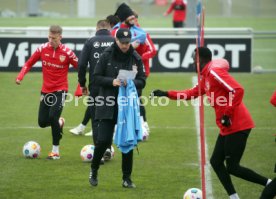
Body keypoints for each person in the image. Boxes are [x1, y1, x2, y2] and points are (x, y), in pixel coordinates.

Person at [151, 47, 272, 199]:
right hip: (227, 126)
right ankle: (233, 196)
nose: (192, 61)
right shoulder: (205, 76)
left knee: (233, 167)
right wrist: (166, 93)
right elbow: (191, 94)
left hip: (238, 124)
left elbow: (238, 90)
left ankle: (270, 184)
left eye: (194, 58)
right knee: (216, 161)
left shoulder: (214, 73)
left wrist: (227, 114)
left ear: (200, 59)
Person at [89, 28, 146, 188]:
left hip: (127, 106)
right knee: (103, 140)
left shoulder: (135, 57)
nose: (125, 46)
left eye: (128, 43)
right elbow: (95, 77)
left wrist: (132, 82)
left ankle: (126, 179)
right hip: (107, 102)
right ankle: (94, 169)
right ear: (116, 40)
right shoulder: (106, 55)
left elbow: (142, 80)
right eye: (122, 42)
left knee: (128, 142)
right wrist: (111, 81)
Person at [16, 25, 78, 160]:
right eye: (49, 37)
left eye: (54, 38)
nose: (51, 40)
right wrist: (20, 76)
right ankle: (60, 123)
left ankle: (55, 151)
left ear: (60, 37)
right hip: (46, 90)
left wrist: (81, 86)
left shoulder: (67, 53)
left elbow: (81, 68)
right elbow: (29, 63)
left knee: (52, 117)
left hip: (61, 89)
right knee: (42, 122)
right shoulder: (42, 49)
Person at [78, 20, 115, 152]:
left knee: (96, 119)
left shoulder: (90, 42)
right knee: (110, 119)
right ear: (109, 28)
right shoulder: (115, 41)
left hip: (95, 85)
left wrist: (82, 83)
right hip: (112, 86)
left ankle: (100, 151)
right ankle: (108, 149)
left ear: (97, 28)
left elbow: (81, 65)